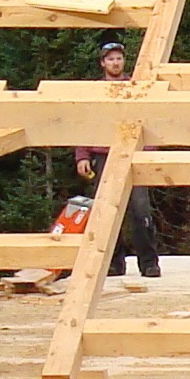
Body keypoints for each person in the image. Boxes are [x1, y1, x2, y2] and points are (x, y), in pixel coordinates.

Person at [71, 38, 162, 277]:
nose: (115, 62)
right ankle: (113, 264)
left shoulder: (136, 88)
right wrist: (82, 155)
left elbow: (148, 120)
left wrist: (148, 154)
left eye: (119, 58)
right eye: (110, 59)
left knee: (140, 211)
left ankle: (149, 263)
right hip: (103, 156)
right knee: (105, 212)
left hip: (133, 155)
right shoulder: (96, 92)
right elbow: (86, 125)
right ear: (103, 63)